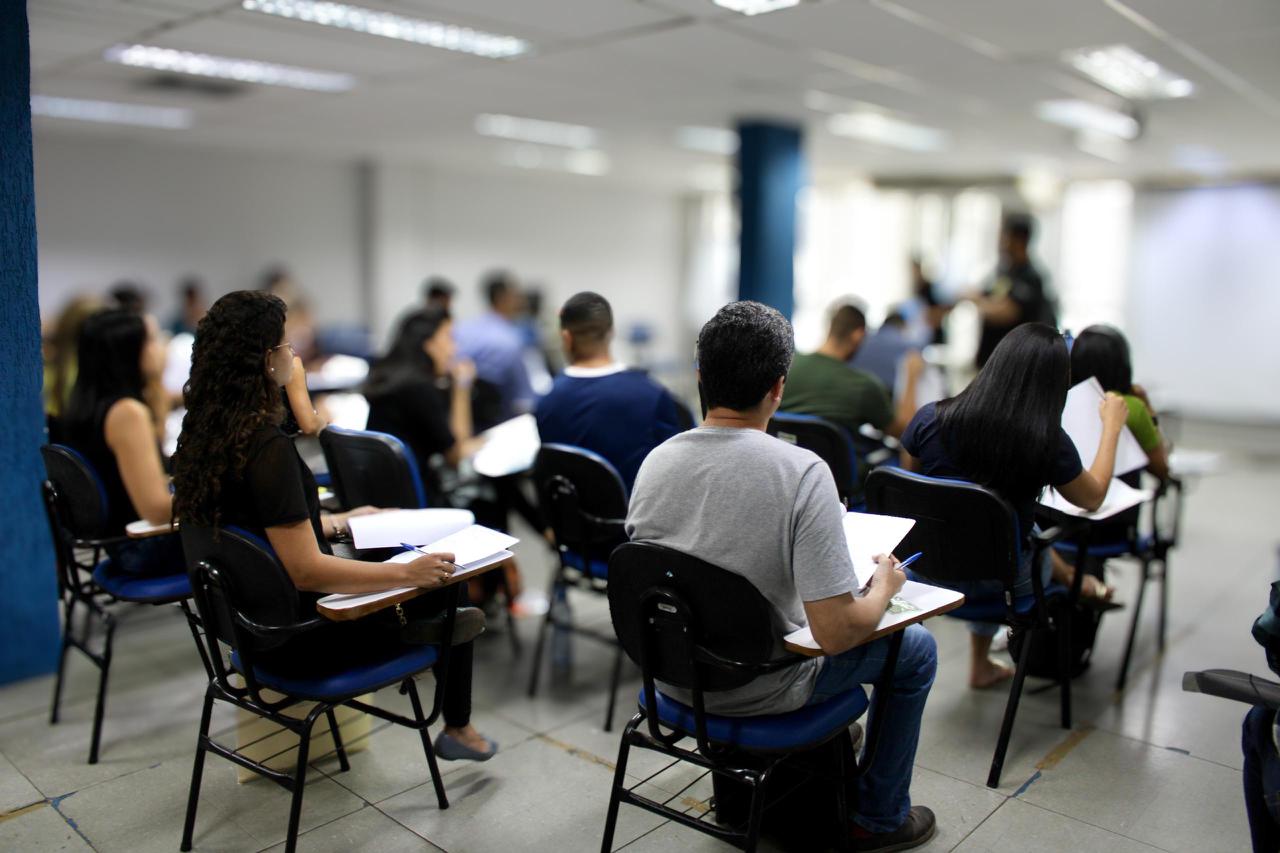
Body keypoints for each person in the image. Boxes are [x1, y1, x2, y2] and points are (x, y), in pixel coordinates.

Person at [627, 300, 938, 852]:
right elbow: (836, 634)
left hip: (673, 677)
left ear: (701, 378)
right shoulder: (800, 472)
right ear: (778, 387)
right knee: (916, 650)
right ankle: (879, 816)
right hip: (761, 685)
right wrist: (886, 588)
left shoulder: (655, 462)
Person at [172, 291, 496, 762]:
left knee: (401, 560)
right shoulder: (266, 448)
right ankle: (459, 728)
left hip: (243, 627)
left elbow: (254, 526)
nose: (295, 356)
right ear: (267, 361)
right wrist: (410, 574)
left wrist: (336, 522)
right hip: (301, 641)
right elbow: (307, 572)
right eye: (286, 347)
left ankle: (453, 693)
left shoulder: (207, 432)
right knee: (450, 584)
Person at [901, 323, 1126, 688]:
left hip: (926, 569)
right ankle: (1076, 581)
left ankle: (984, 662)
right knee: (1014, 536)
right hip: (1002, 582)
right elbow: (1093, 496)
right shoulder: (1048, 442)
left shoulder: (929, 418)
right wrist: (1112, 427)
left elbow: (911, 484)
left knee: (987, 527)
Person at [364, 308, 523, 609]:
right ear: (428, 344)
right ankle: (493, 595)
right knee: (497, 492)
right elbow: (456, 452)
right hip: (420, 501)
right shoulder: (418, 388)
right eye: (448, 338)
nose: (454, 348)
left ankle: (499, 591)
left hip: (388, 499)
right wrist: (462, 386)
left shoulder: (386, 379)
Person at [62, 309, 182, 575]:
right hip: (143, 548)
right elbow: (157, 510)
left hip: (124, 545)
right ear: (128, 352)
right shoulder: (126, 413)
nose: (160, 348)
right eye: (151, 340)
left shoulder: (90, 404)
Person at [535, 292, 684, 492]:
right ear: (611, 333)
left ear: (567, 338)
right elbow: (676, 467)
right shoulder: (652, 394)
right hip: (640, 519)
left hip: (572, 521)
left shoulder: (546, 403)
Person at [781, 302, 922, 500]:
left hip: (788, 481)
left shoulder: (786, 366)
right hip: (839, 492)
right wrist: (912, 376)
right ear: (857, 335)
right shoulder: (863, 385)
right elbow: (908, 434)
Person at [1069, 324, 1170, 480]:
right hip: (1121, 500)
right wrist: (1149, 409)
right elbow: (1160, 467)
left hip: (1066, 496)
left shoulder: (1061, 400)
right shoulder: (1131, 407)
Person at [454, 271, 537, 426]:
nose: (520, 301)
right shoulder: (511, 340)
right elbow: (523, 397)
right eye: (516, 295)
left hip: (463, 417)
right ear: (503, 298)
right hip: (499, 423)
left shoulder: (462, 329)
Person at [972, 214, 1055, 368]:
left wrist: (980, 304)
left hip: (1013, 365)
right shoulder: (1005, 271)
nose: (1002, 242)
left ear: (1018, 240)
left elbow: (1005, 313)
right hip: (991, 360)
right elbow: (983, 294)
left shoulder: (1031, 277)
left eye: (1005, 236)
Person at [850, 312, 919, 395]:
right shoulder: (905, 345)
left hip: (856, 392)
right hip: (888, 396)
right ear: (902, 326)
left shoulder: (862, 341)